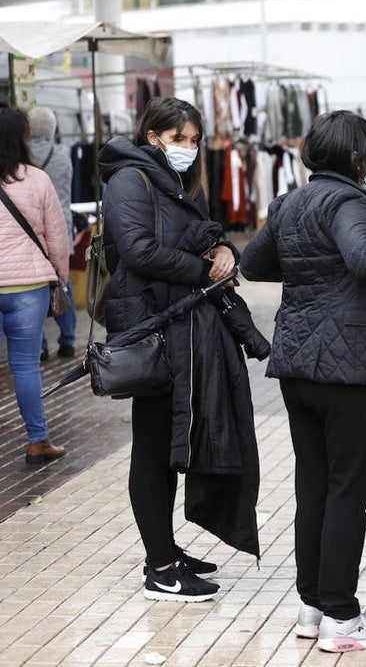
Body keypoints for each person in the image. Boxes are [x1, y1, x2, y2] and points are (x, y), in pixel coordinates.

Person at [242, 110, 366, 652]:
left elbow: (254, 265)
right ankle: (342, 618)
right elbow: (365, 256)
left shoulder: (290, 203)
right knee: (348, 489)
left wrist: (311, 270)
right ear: (357, 157)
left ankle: (313, 607)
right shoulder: (349, 201)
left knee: (315, 487)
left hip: (299, 365)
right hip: (351, 367)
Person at [100, 97, 258, 603]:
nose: (188, 148)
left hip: (180, 327)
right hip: (151, 328)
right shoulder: (130, 179)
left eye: (193, 140)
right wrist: (203, 272)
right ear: (152, 136)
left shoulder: (174, 180)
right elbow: (137, 249)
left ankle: (166, 548)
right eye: (178, 139)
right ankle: (160, 567)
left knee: (170, 447)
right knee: (151, 448)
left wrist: (226, 251)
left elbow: (204, 234)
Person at [0, 108, 69, 465]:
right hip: (29, 287)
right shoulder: (38, 180)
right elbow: (57, 237)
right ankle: (37, 441)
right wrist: (61, 276)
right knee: (25, 366)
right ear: (24, 137)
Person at [28, 107, 76, 361]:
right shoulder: (64, 155)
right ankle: (68, 339)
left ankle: (42, 346)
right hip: (61, 226)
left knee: (35, 289)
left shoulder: (21, 156)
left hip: (32, 231)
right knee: (62, 283)